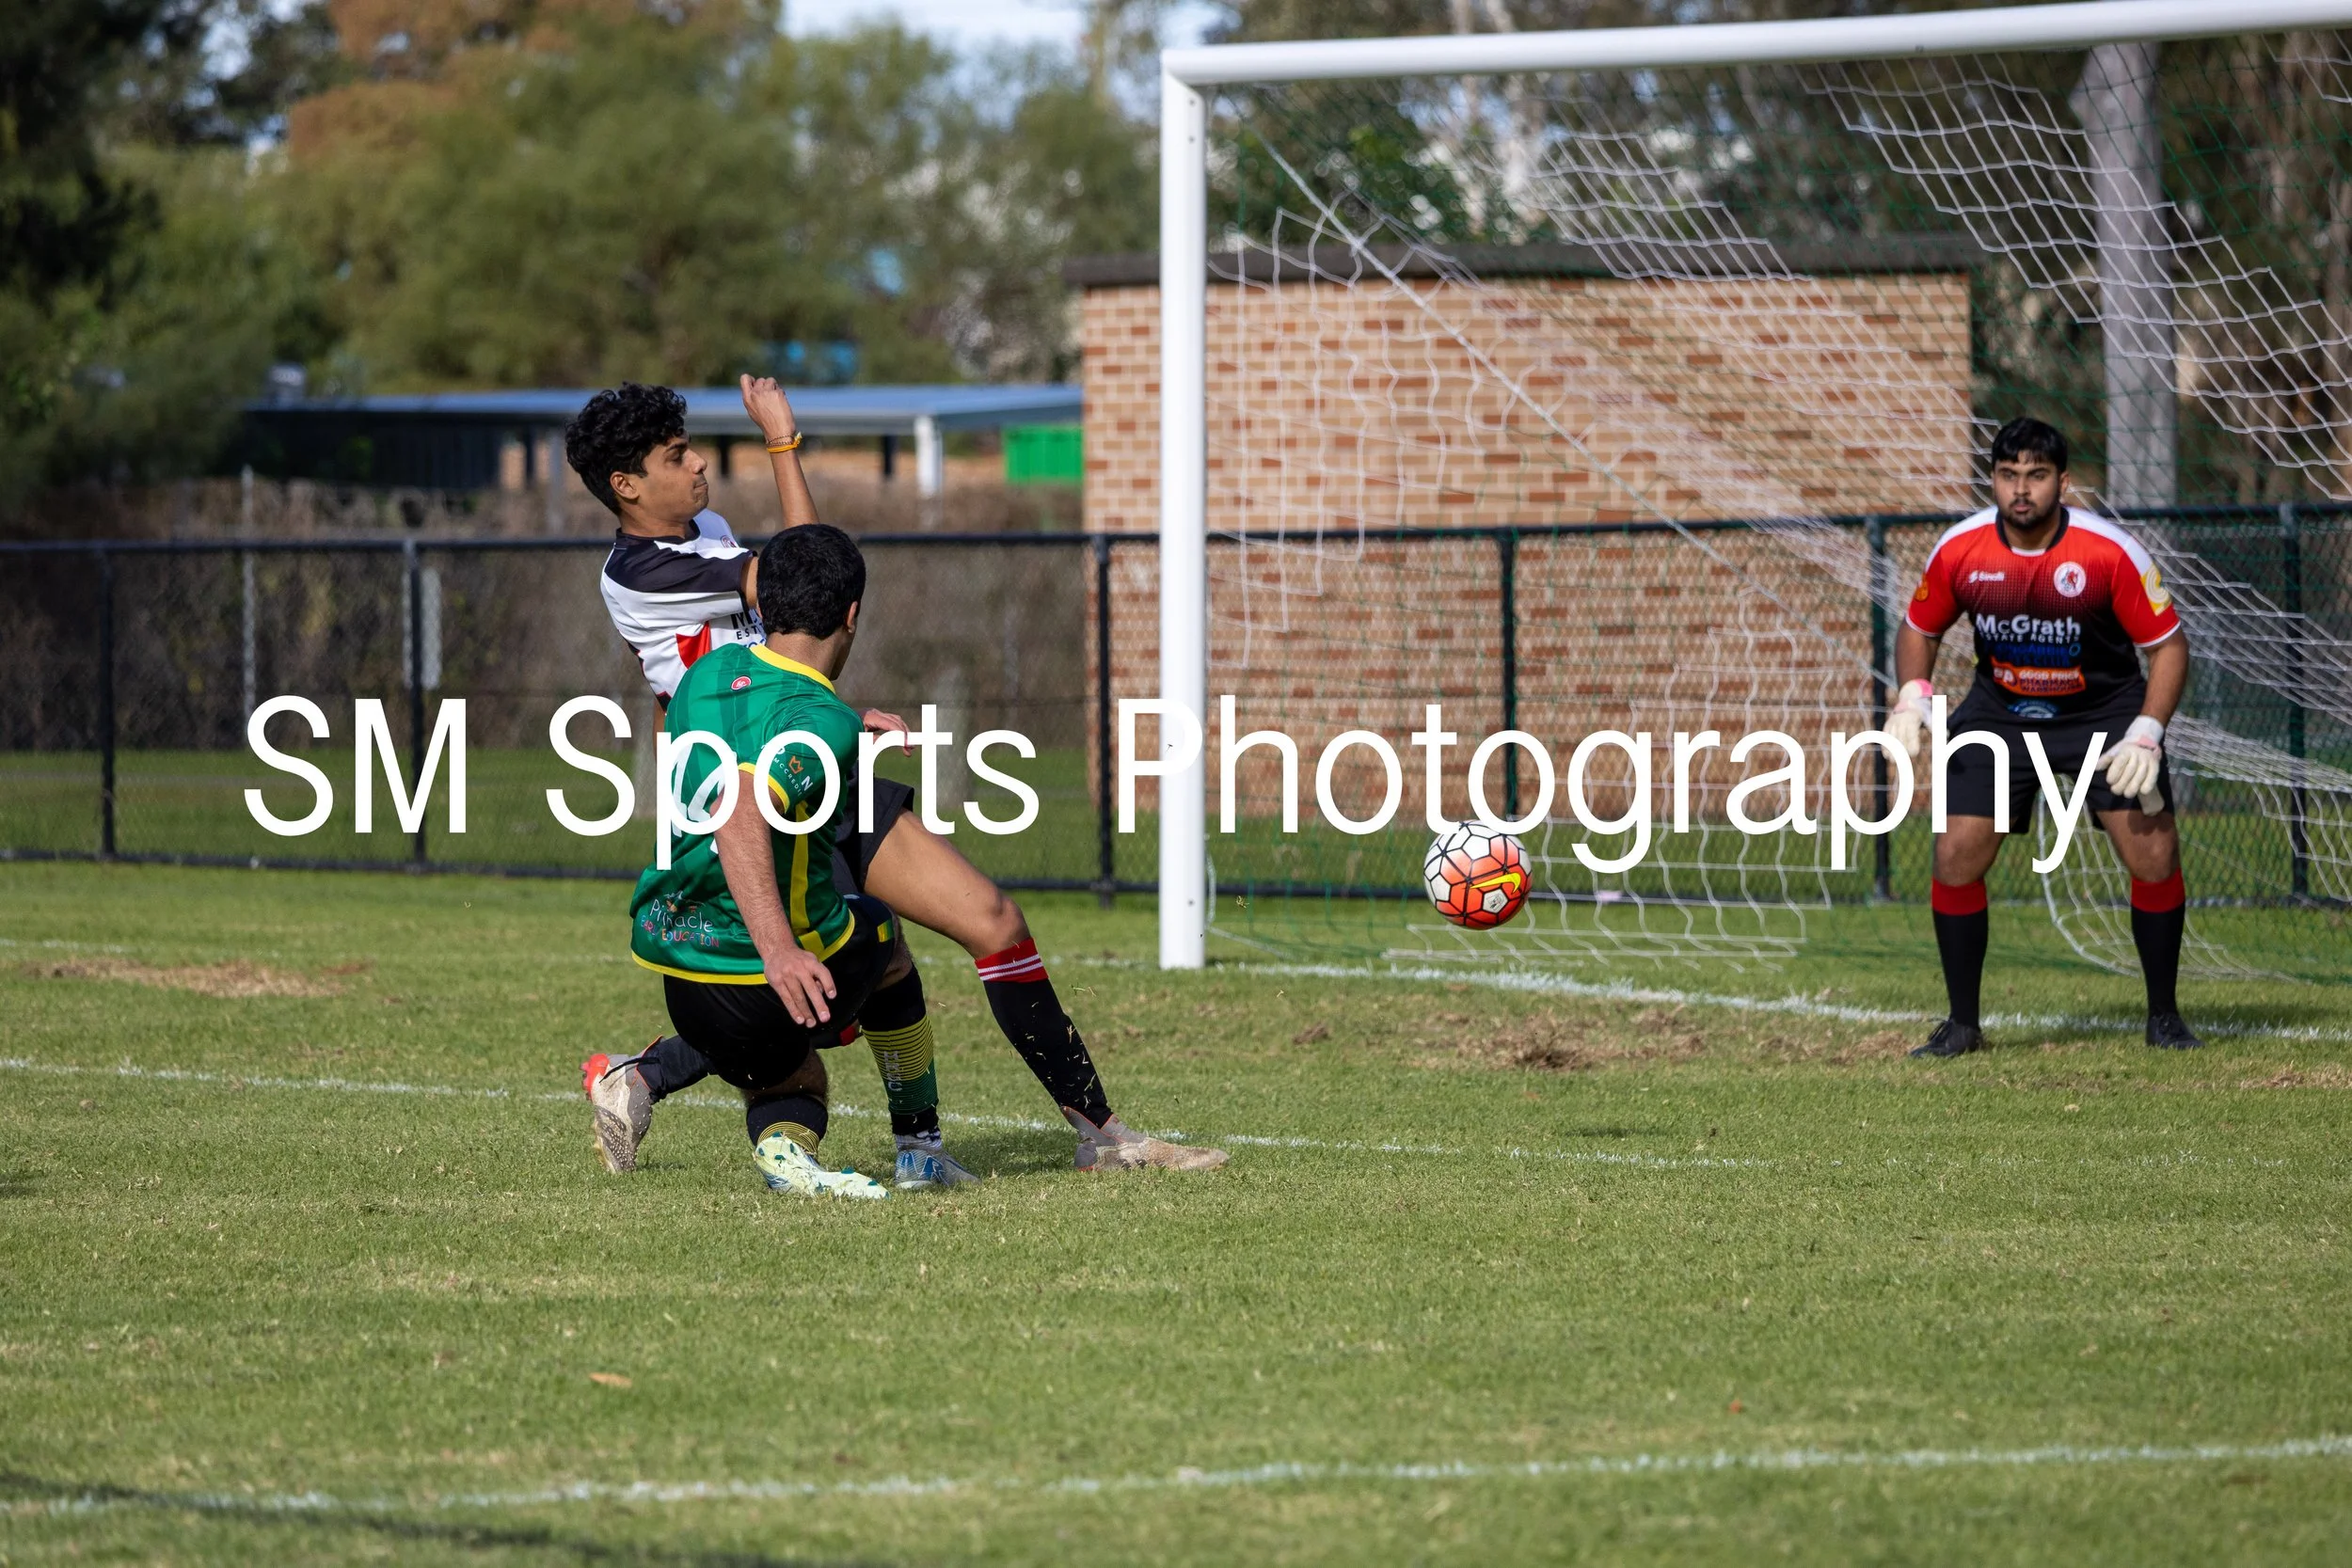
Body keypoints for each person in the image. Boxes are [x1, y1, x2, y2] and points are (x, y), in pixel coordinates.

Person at [574, 378, 1227, 1175]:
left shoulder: (705, 530)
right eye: (677, 456)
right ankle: (663, 1079)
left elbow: (798, 597)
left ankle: (1102, 1136)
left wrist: (834, 716)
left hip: (811, 765)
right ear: (626, 484)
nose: (699, 462)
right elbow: (801, 579)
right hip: (748, 810)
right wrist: (781, 446)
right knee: (822, 976)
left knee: (990, 918)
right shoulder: (639, 571)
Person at [1887, 416, 2201, 1058]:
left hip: (2103, 715)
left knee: (2154, 855)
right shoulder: (1961, 549)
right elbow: (1920, 627)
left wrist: (2147, 731)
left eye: (2035, 475)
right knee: (1955, 854)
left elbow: (2168, 647)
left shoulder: (2108, 552)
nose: (2021, 489)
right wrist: (1914, 693)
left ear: (2063, 481)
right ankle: (1962, 1025)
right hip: (2001, 714)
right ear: (1993, 481)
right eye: (2008, 475)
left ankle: (2165, 1018)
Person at [630, 523, 908, 1198]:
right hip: (757, 972)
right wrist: (779, 951)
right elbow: (740, 807)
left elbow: (756, 720)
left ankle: (752, 1128)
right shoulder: (824, 721)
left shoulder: (705, 673)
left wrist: (843, 723)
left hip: (677, 963)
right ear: (851, 615)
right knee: (884, 936)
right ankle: (922, 1146)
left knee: (787, 1071)